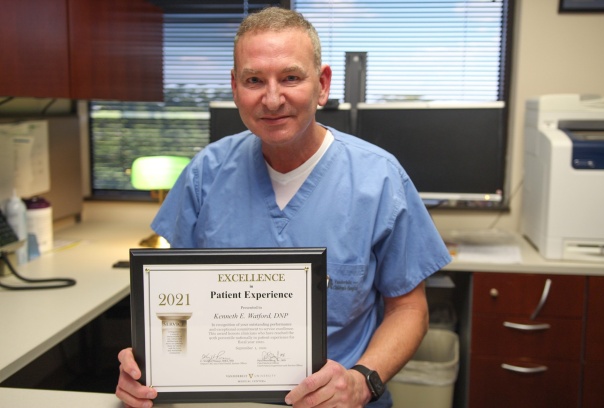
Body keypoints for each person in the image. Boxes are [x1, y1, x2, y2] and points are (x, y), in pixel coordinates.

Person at [116, 7, 451, 408]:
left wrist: (362, 382)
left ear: (322, 85)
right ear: (235, 87)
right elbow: (175, 301)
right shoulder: (206, 174)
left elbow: (409, 309)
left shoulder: (379, 179)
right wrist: (149, 365)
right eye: (254, 80)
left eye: (291, 78)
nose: (272, 99)